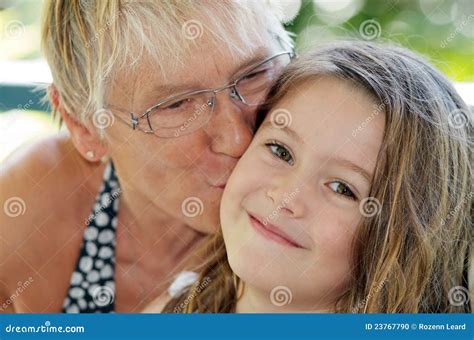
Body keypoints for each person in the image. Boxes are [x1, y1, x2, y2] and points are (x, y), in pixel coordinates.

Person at [0, 0, 294, 313]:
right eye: (176, 104)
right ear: (84, 126)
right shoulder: (29, 212)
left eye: (254, 74)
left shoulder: (328, 215)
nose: (238, 139)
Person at [150, 41, 473, 313]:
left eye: (342, 188)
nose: (285, 197)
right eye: (280, 151)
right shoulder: (172, 306)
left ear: (406, 239)